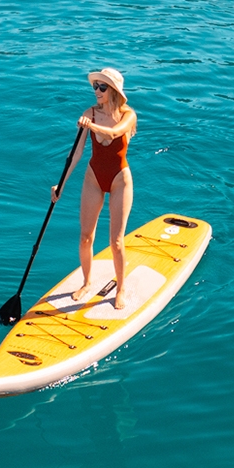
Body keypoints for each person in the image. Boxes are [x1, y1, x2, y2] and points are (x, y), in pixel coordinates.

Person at [70, 67, 138, 305]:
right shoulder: (90, 113)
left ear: (114, 91)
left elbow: (114, 132)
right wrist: (60, 184)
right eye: (95, 86)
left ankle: (120, 288)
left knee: (116, 241)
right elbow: (77, 153)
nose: (96, 91)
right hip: (93, 177)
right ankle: (87, 283)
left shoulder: (128, 115)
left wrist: (90, 126)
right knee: (85, 237)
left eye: (102, 87)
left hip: (120, 179)